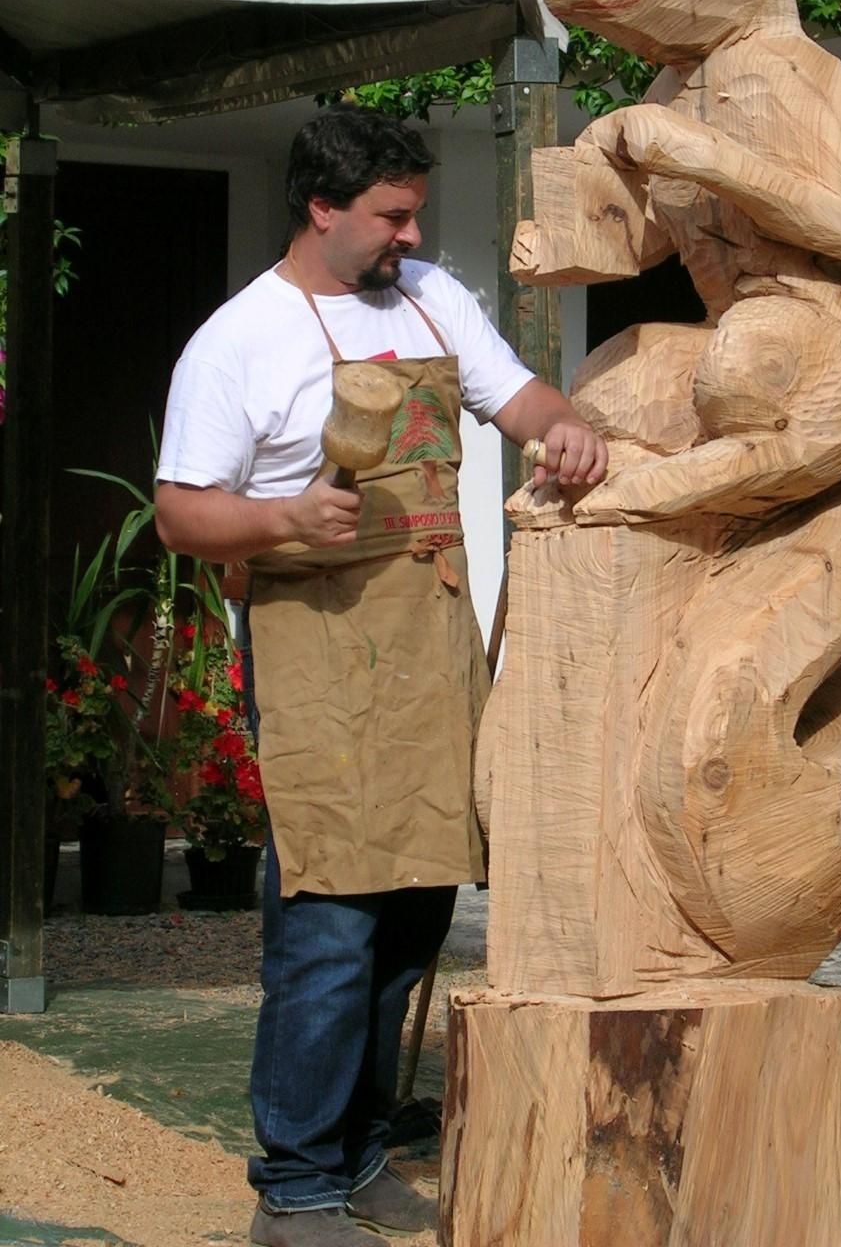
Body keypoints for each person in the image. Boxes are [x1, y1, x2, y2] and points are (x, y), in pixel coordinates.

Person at [155, 104, 607, 1247]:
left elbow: (521, 400)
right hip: (314, 654)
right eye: (391, 215)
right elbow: (179, 514)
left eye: (414, 213)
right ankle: (296, 1187)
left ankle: (357, 1155)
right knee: (330, 925)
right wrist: (282, 517)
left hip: (430, 655)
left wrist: (564, 428)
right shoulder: (239, 341)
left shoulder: (431, 301)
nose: (410, 235)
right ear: (321, 207)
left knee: (414, 914)